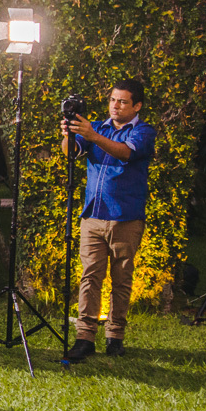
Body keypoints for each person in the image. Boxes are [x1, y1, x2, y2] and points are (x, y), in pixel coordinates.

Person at [60, 78, 156, 361]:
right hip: (93, 215)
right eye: (113, 100)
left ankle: (115, 337)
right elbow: (71, 153)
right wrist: (68, 134)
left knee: (121, 279)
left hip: (126, 216)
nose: (116, 106)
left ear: (136, 105)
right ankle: (85, 338)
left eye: (123, 101)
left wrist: (92, 136)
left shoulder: (143, 131)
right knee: (90, 276)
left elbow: (125, 152)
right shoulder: (97, 127)